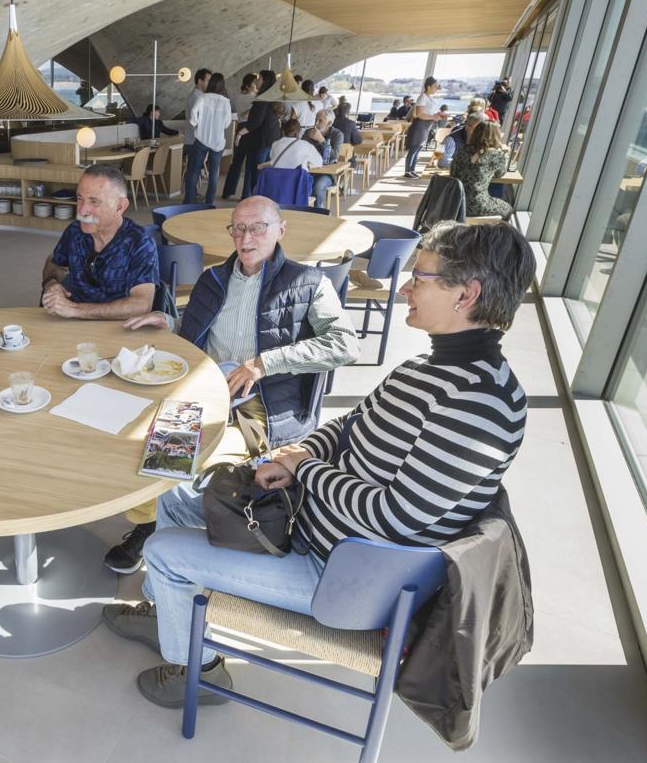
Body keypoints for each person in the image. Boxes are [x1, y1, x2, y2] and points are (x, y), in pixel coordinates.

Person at [106, 220, 535, 707]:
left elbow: (397, 516)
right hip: (310, 522)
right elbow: (352, 424)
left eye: (422, 277)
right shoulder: (425, 369)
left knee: (163, 549)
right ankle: (167, 608)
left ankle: (197, 671)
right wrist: (302, 455)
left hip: (345, 577)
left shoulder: (480, 404)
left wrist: (303, 469)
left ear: (467, 294)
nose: (408, 287)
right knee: (178, 497)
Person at [99, 196, 359, 573]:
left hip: (260, 409)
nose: (246, 237)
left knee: (186, 470)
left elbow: (345, 344)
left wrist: (265, 363)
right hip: (206, 392)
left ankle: (170, 553)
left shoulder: (308, 283)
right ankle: (151, 528)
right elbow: (198, 330)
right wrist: (169, 324)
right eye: (238, 228)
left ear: (280, 230)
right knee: (149, 458)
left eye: (258, 227)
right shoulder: (214, 278)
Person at [41, 164, 158, 319]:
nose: (82, 210)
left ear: (120, 206)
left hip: (119, 330)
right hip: (74, 325)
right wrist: (51, 283)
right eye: (79, 198)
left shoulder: (139, 242)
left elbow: (141, 304)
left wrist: (76, 309)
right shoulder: (75, 231)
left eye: (94, 202)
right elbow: (54, 262)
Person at [224, 70, 281, 199]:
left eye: (259, 79)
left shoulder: (261, 99)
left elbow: (255, 121)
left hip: (259, 139)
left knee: (255, 170)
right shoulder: (272, 97)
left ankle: (254, 199)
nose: (257, 81)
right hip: (270, 139)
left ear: (265, 81)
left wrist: (239, 134)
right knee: (260, 170)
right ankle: (251, 197)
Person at [183, 72, 233, 206]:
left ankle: (188, 201)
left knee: (194, 171)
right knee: (213, 174)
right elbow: (227, 123)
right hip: (217, 142)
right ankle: (209, 203)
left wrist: (196, 126)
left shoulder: (203, 98)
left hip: (201, 139)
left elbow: (193, 116)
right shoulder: (226, 102)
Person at [450, 120, 511, 218]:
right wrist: (503, 153)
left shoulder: (462, 150)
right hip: (478, 205)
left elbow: (452, 172)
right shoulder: (496, 155)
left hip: (456, 204)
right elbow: (500, 173)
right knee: (508, 209)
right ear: (496, 136)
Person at [267, 116, 324, 205]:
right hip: (297, 189)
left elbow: (272, 159)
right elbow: (319, 162)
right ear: (298, 133)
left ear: (283, 131)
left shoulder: (275, 144)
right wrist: (308, 164)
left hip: (277, 189)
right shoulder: (305, 145)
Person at [404, 77, 448, 178]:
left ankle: (412, 170)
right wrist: (434, 116)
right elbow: (420, 114)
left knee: (418, 149)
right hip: (420, 125)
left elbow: (428, 112)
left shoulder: (428, 97)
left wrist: (438, 114)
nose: (436, 88)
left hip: (426, 126)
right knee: (414, 149)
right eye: (435, 86)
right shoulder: (423, 97)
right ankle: (408, 171)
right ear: (428, 86)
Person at [302, 109, 343, 205]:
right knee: (297, 181)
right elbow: (302, 150)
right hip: (310, 170)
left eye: (320, 120)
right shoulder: (308, 132)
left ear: (329, 123)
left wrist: (321, 140)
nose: (316, 123)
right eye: (316, 119)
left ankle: (318, 213)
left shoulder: (337, 134)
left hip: (327, 173)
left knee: (318, 186)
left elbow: (334, 158)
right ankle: (302, 211)